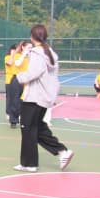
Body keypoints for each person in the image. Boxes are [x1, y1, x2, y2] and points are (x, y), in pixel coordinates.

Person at [14, 24, 74, 172]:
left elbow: (33, 73)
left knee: (27, 129)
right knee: (37, 127)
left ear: (32, 36)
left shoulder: (37, 53)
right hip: (44, 96)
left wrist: (19, 76)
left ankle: (29, 164)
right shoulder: (50, 52)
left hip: (34, 96)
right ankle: (61, 151)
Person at [4, 43, 24, 128]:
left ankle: (17, 114)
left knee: (20, 100)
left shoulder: (21, 56)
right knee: (10, 99)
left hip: (22, 80)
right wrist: (12, 54)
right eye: (16, 48)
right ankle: (10, 114)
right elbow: (10, 63)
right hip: (10, 80)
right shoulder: (8, 57)